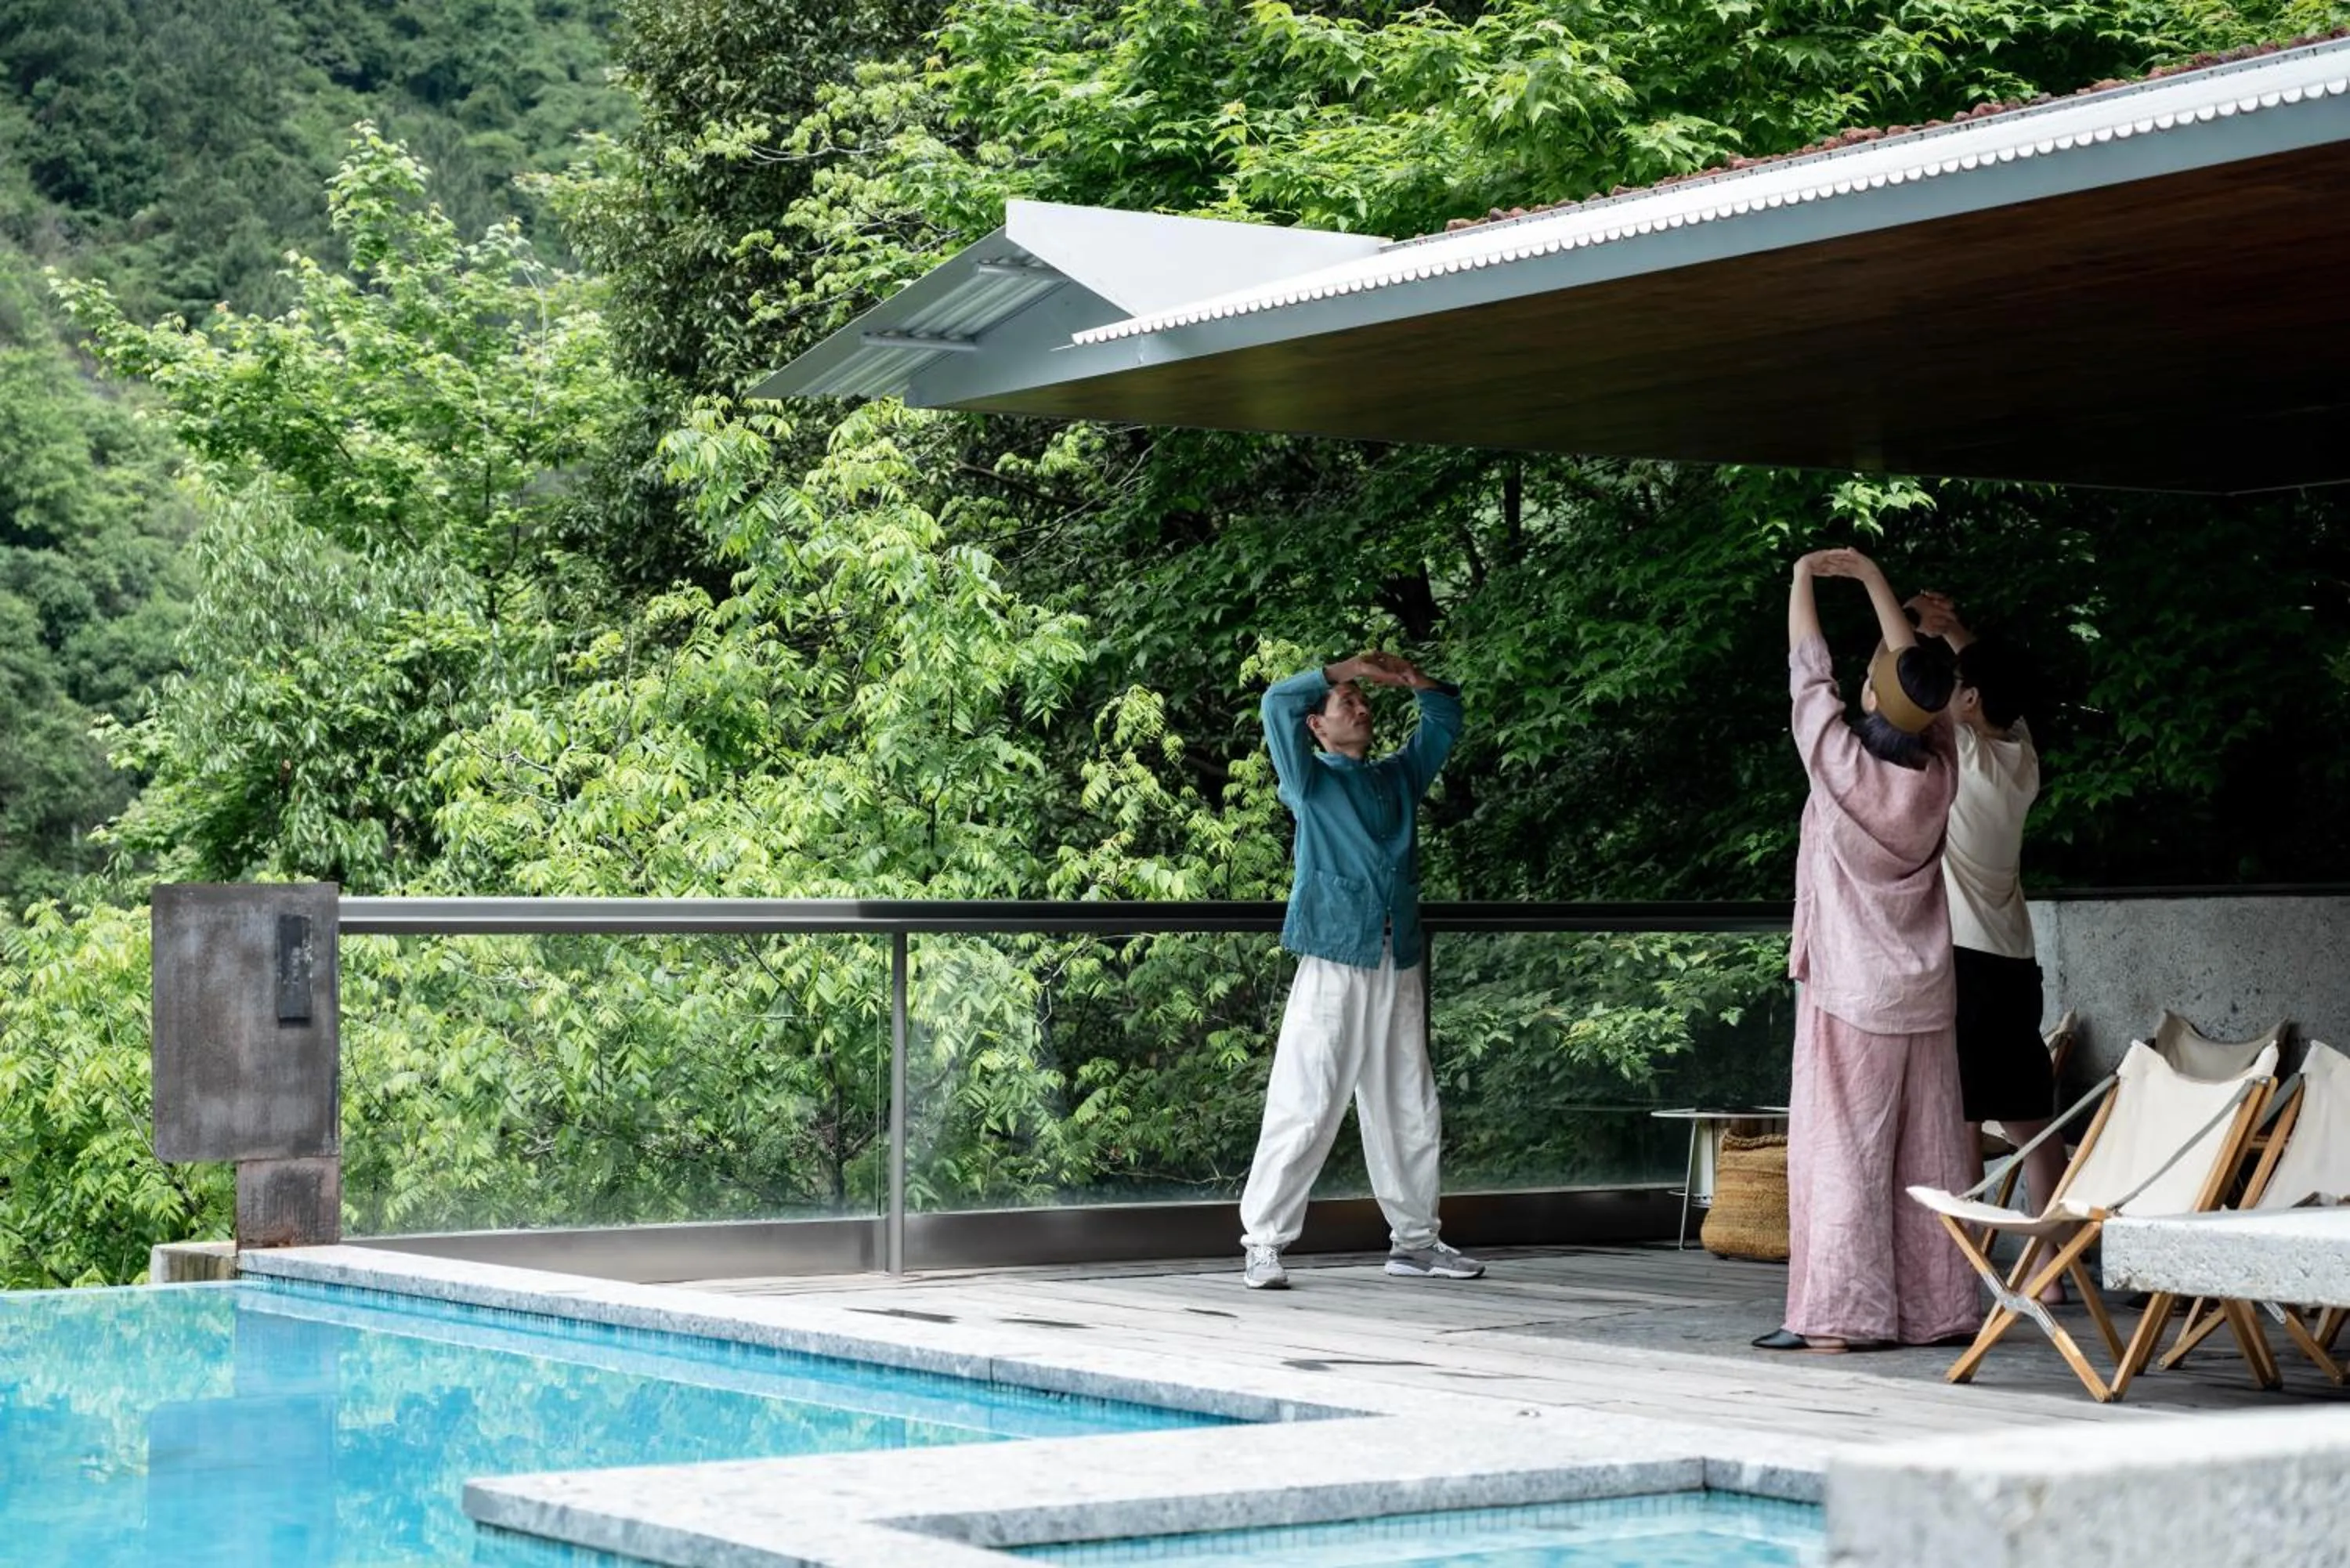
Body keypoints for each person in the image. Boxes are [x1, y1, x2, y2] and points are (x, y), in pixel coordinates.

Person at [1755, 548, 1982, 1353]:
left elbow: (1807, 676)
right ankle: (1941, 1307)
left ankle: (1842, 1316)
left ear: (1869, 696)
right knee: (1929, 1152)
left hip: (1852, 994)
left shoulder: (1841, 768)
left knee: (1843, 1151)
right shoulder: (1938, 773)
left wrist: (1805, 579)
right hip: (1924, 994)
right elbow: (1926, 690)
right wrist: (1879, 585)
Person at [1239, 650, 1483, 1291]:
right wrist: (1344, 669)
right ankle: (1263, 1241)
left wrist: (1413, 681)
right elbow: (1275, 703)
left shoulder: (1397, 777)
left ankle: (1416, 1243)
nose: (1360, 706)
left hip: (1396, 958)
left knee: (1409, 1103)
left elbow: (1444, 720)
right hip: (1333, 959)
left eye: (1362, 701)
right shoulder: (1309, 781)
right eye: (1346, 703)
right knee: (1306, 1099)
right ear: (1317, 727)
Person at [1907, 592, 2066, 1293]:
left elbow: (1922, 697)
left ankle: (1967, 1268)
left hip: (1965, 959)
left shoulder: (1963, 750)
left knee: (1962, 1117)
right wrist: (1953, 631)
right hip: (2015, 957)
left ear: (1968, 700)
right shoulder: (2019, 756)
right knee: (2032, 1119)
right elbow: (1993, 690)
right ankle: (2053, 1269)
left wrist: (1922, 634)